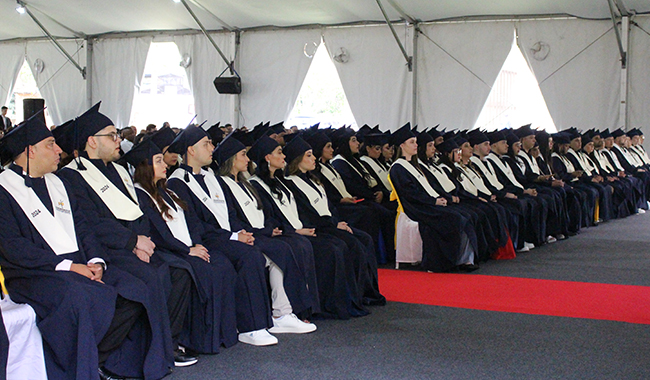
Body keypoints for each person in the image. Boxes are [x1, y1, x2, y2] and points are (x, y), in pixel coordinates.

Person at [0, 116, 159, 380]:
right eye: (51, 144)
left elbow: (83, 228)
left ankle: (96, 361)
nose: (59, 150)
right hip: (33, 273)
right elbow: (13, 246)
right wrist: (69, 266)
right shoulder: (4, 189)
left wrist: (97, 261)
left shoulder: (58, 183)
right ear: (30, 151)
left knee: (135, 291)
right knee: (78, 298)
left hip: (79, 266)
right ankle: (78, 371)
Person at [56, 102, 198, 370]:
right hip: (107, 249)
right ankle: (135, 360)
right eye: (112, 135)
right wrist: (132, 243)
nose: (118, 140)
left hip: (134, 246)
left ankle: (164, 347)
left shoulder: (119, 170)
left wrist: (142, 242)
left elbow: (138, 212)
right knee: (149, 279)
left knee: (179, 272)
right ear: (92, 142)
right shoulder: (71, 176)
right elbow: (91, 222)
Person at [165, 125, 311, 346]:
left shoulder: (210, 177)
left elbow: (230, 214)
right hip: (206, 239)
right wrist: (233, 238)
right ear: (191, 151)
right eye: (206, 144)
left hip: (224, 235)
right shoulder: (177, 182)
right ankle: (250, 328)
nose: (212, 148)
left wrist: (240, 232)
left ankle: (278, 315)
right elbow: (194, 223)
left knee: (262, 250)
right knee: (249, 255)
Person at [124, 139, 239, 354]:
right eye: (158, 161)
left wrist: (196, 243)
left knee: (222, 264)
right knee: (203, 271)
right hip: (170, 252)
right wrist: (187, 251)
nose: (166, 164)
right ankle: (196, 340)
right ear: (145, 167)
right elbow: (159, 233)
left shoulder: (167, 191)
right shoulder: (140, 195)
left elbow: (192, 220)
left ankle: (220, 333)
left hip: (188, 247)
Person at [248, 134, 362, 319]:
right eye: (279, 153)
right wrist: (293, 230)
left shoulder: (279, 181)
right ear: (267, 158)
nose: (284, 156)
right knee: (331, 248)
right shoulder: (256, 185)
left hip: (299, 229)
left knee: (340, 244)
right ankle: (315, 307)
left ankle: (343, 303)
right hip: (284, 233)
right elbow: (269, 216)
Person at [213, 134, 320, 324]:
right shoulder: (223, 185)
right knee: (282, 249)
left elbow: (263, 211)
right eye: (243, 155)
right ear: (231, 159)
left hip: (261, 232)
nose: (247, 160)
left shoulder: (244, 183)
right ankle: (282, 312)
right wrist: (264, 232)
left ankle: (295, 310)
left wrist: (270, 228)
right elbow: (232, 219)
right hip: (247, 235)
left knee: (291, 246)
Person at [281, 136, 386, 307]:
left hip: (330, 224)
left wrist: (338, 222)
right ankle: (349, 298)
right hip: (319, 228)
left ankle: (365, 293)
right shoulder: (291, 184)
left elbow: (329, 207)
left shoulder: (313, 180)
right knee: (348, 244)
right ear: (298, 159)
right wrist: (333, 225)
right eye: (308, 155)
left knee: (365, 238)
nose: (314, 158)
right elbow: (305, 214)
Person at [388, 124, 478, 272]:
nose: (416, 145)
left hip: (425, 204)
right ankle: (443, 263)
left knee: (463, 215)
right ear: (402, 145)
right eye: (412, 142)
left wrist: (438, 199)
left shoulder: (413, 165)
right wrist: (434, 201)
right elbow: (410, 194)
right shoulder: (398, 167)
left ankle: (461, 259)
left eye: (416, 142)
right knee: (453, 218)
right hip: (415, 208)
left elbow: (425, 189)